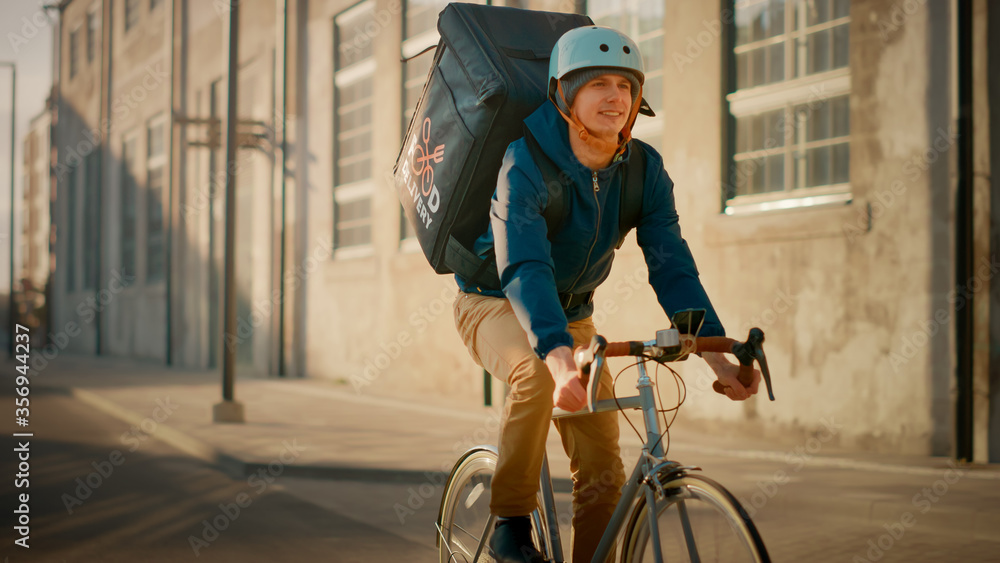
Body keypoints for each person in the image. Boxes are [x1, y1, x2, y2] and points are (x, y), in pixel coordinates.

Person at [452, 25, 761, 563]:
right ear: (565, 95)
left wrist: (716, 355)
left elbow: (672, 264)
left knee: (602, 466)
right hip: (492, 300)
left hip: (572, 315)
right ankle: (509, 522)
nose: (615, 97)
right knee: (534, 374)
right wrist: (558, 356)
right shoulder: (524, 162)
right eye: (597, 84)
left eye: (625, 85)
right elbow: (525, 265)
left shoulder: (642, 169)